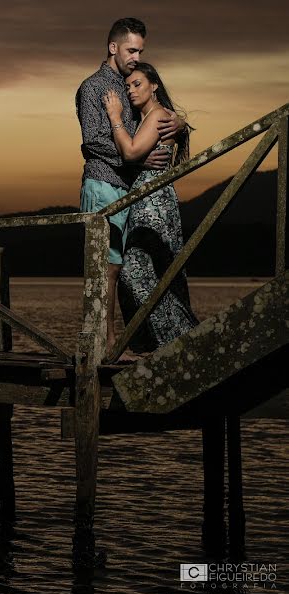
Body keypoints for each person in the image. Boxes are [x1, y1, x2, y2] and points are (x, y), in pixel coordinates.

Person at [76, 17, 182, 356]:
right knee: (106, 267)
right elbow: (93, 141)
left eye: (140, 51)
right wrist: (136, 160)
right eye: (131, 49)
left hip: (131, 188)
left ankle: (135, 339)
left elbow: (154, 120)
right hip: (104, 183)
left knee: (126, 266)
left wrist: (177, 121)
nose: (136, 56)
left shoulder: (132, 85)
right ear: (113, 48)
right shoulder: (94, 87)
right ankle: (104, 343)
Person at [102, 62, 199, 353]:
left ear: (154, 85)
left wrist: (114, 116)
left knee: (135, 272)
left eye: (138, 84)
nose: (131, 90)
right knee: (159, 272)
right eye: (128, 85)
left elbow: (131, 151)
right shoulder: (152, 116)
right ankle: (174, 342)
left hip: (153, 201)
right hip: (149, 198)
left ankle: (173, 341)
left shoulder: (157, 114)